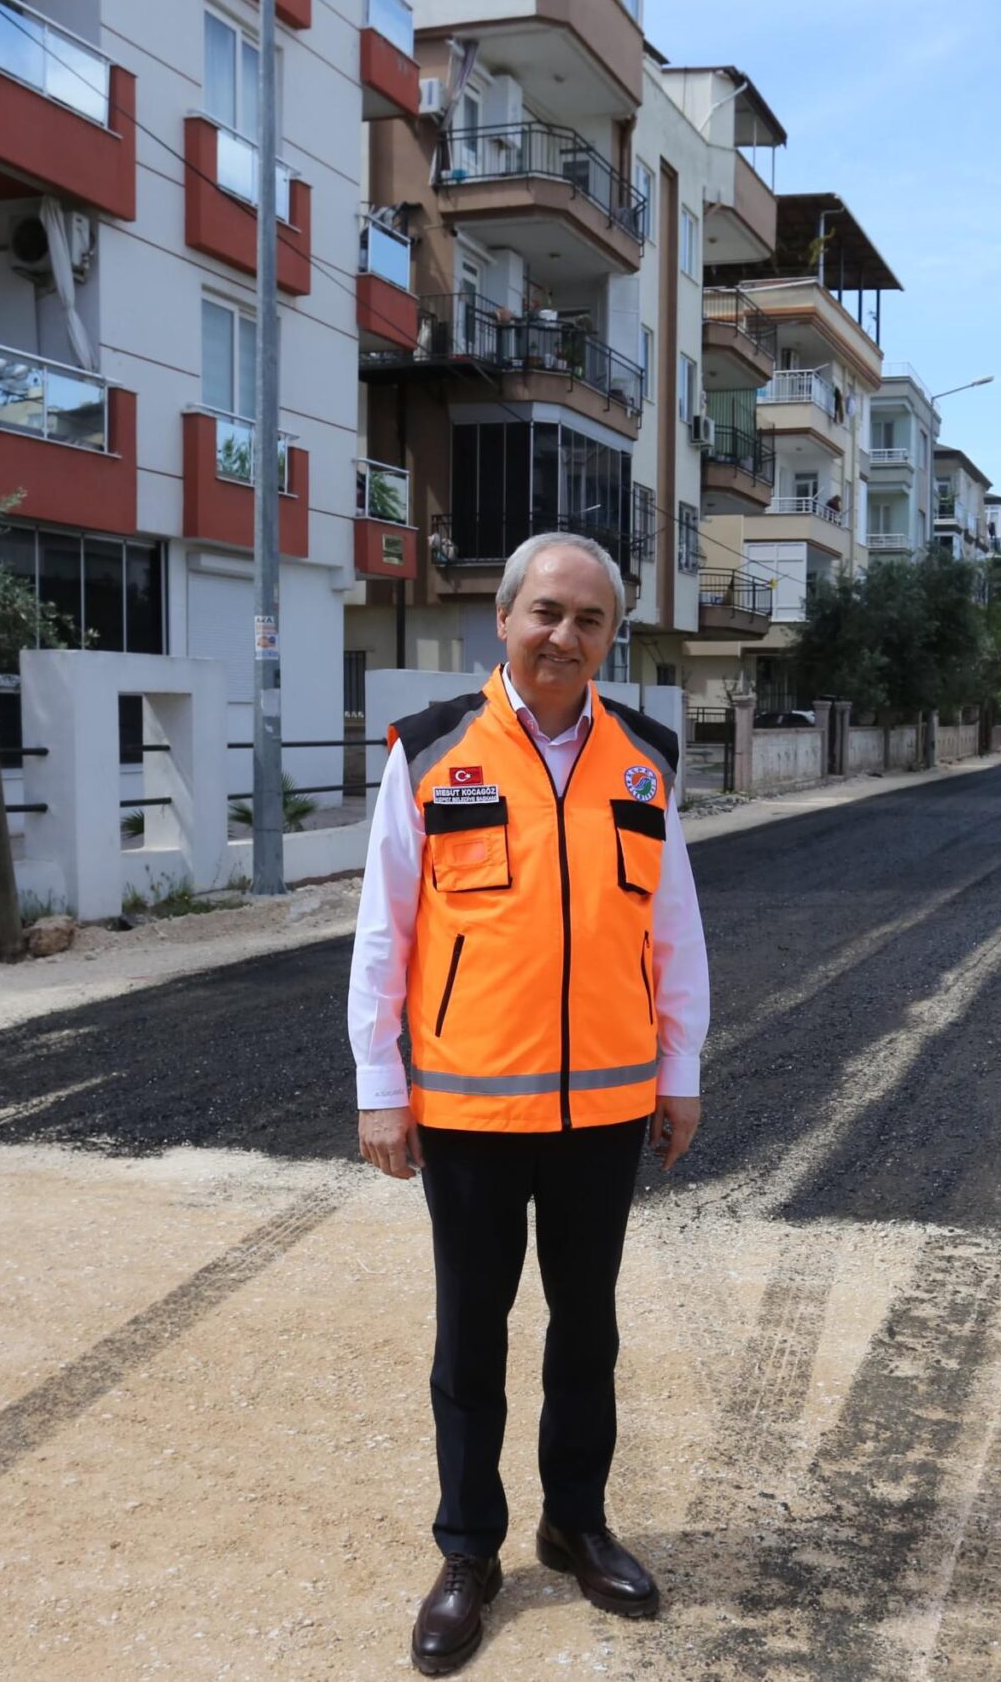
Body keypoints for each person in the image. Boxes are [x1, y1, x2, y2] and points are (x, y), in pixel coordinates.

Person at [348, 533, 709, 1677]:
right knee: (471, 1334)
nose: (565, 635)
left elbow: (673, 926)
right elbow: (383, 930)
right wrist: (379, 1087)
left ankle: (576, 1525)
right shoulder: (430, 750)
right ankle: (469, 1552)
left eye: (590, 619)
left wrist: (681, 1069)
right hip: (465, 1111)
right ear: (502, 619)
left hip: (606, 1110)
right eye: (546, 612)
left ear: (612, 639)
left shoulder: (645, 759)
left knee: (586, 1329)